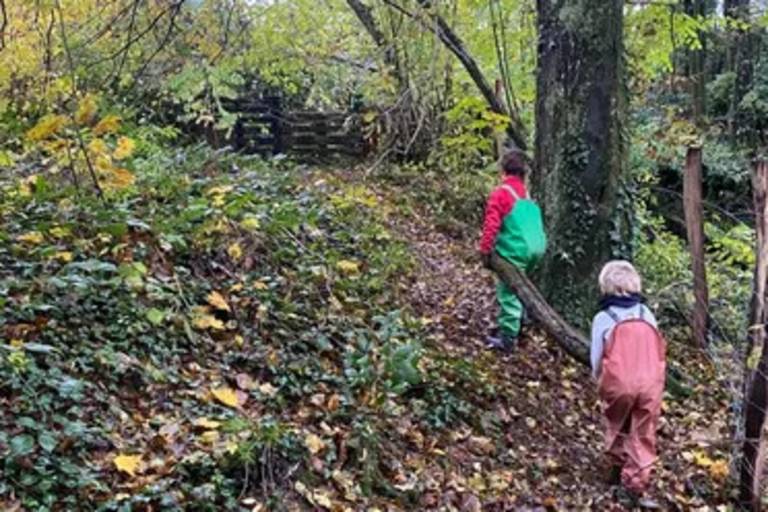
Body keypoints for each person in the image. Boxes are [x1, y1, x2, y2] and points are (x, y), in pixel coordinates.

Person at [591, 260, 666, 509]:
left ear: (605, 288)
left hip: (619, 383)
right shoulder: (647, 314)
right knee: (644, 432)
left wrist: (598, 378)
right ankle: (635, 484)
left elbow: (596, 356)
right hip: (650, 383)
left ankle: (615, 465)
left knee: (616, 422)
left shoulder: (603, 317)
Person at [479, 150, 547, 351]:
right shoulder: (525, 194)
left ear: (503, 170)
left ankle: (508, 337)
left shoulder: (501, 193)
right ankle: (523, 319)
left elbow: (491, 225)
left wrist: (485, 250)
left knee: (508, 291)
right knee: (523, 283)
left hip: (516, 249)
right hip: (538, 247)